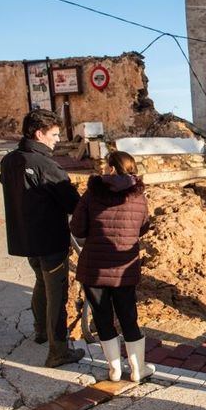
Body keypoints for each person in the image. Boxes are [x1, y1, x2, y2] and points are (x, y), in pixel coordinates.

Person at [0, 109, 85, 367]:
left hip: (25, 239)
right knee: (56, 293)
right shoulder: (45, 164)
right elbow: (73, 204)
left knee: (40, 283)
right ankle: (58, 350)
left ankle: (40, 331)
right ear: (39, 133)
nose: (57, 139)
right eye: (54, 134)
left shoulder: (10, 160)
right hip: (49, 239)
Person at [70, 151, 154, 383]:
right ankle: (138, 370)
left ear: (111, 168)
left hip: (94, 268)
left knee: (102, 317)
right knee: (128, 316)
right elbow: (143, 227)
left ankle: (114, 370)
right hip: (123, 269)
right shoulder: (139, 197)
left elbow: (77, 229)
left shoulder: (92, 193)